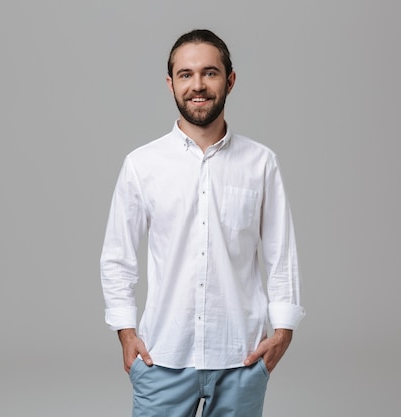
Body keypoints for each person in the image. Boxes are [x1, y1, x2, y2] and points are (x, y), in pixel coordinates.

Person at [100, 28, 305, 417]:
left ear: (229, 80)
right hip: (163, 354)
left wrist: (283, 332)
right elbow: (117, 256)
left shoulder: (260, 163)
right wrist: (126, 333)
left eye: (210, 73)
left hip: (241, 357)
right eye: (186, 74)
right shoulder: (142, 165)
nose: (198, 85)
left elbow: (282, 254)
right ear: (170, 83)